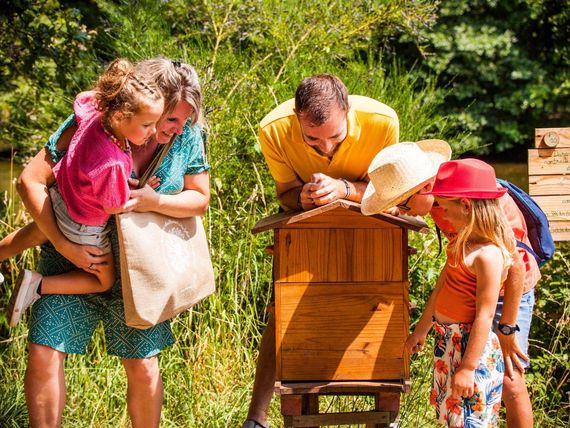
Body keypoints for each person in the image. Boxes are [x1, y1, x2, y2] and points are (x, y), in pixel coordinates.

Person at [10, 57, 209, 428]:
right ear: (143, 104)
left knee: (144, 366)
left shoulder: (187, 135)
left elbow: (199, 199)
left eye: (186, 120)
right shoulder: (93, 122)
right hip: (73, 261)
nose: (179, 129)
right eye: (170, 119)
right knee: (43, 352)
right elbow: (30, 181)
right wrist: (66, 246)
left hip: (142, 272)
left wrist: (156, 201)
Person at [243, 74, 399, 428]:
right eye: (312, 139)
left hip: (370, 231)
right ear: (297, 118)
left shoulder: (383, 121)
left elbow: (388, 190)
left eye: (335, 137)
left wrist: (344, 188)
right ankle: (256, 419)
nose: (325, 149)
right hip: (305, 235)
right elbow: (284, 193)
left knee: (374, 304)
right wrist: (301, 197)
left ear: (348, 111)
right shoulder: (273, 129)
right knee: (281, 307)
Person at [362, 143, 539, 427]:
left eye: (404, 203)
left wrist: (506, 328)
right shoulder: (444, 205)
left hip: (507, 292)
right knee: (458, 401)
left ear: (426, 188)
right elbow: (450, 272)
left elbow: (516, 267)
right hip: (468, 298)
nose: (404, 211)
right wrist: (423, 327)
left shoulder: (475, 203)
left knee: (509, 378)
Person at [6, 58, 165, 327]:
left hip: (62, 197)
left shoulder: (93, 114)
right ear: (119, 116)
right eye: (147, 124)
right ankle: (37, 285)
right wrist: (139, 196)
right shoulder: (112, 161)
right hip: (82, 225)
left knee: (37, 230)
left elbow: (86, 97)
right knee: (104, 280)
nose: (153, 131)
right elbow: (112, 207)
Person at [404, 159, 516, 426]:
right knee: (450, 418)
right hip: (448, 342)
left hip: (470, 348)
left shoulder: (488, 256)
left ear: (466, 206)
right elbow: (440, 289)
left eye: (445, 209)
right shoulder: (459, 244)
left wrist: (467, 368)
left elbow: (486, 315)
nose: (443, 216)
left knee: (470, 419)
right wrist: (421, 330)